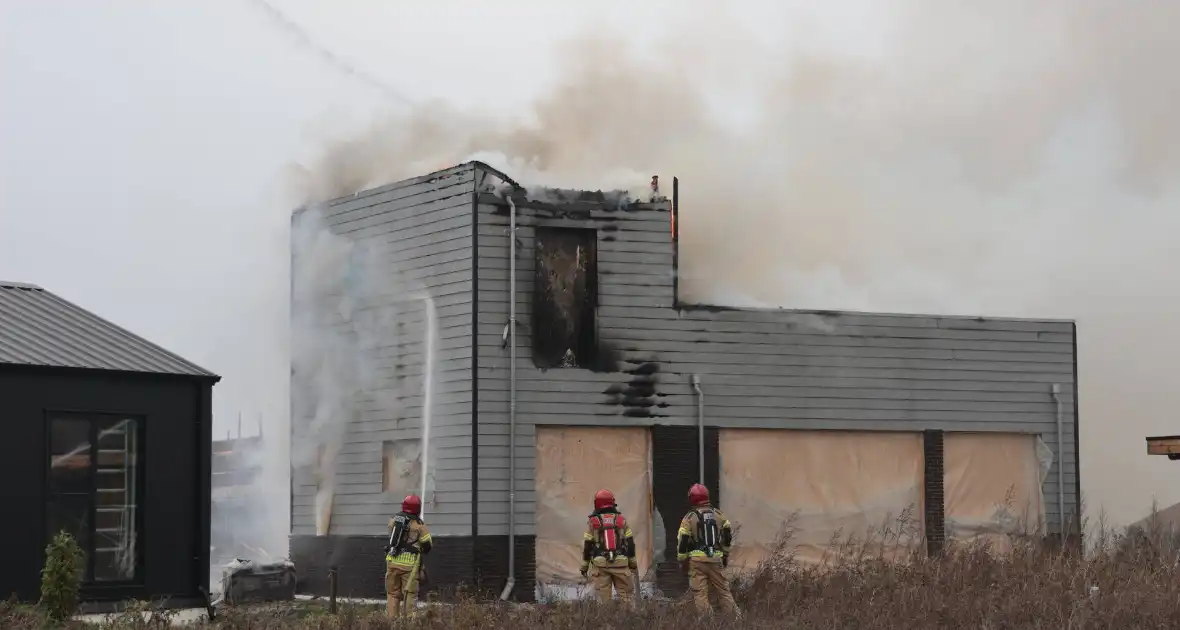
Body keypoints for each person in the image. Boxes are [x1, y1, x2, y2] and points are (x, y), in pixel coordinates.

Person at [676, 483, 739, 616]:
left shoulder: (689, 517)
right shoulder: (719, 514)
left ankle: (707, 622)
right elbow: (727, 534)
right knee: (723, 591)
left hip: (696, 561)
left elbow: (683, 541)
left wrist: (682, 560)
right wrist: (725, 554)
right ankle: (736, 620)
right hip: (716, 558)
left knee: (700, 593)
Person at [580, 488, 638, 605]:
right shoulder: (621, 521)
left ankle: (606, 621)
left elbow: (587, 546)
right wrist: (632, 563)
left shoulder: (593, 522)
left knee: (603, 602)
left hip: (600, 565)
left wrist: (585, 566)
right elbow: (630, 544)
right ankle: (630, 621)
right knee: (627, 599)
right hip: (621, 563)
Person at [385, 494, 432, 618]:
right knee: (410, 595)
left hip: (392, 562)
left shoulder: (393, 520)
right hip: (409, 566)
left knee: (392, 594)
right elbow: (428, 545)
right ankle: (410, 623)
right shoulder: (419, 525)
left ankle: (391, 623)